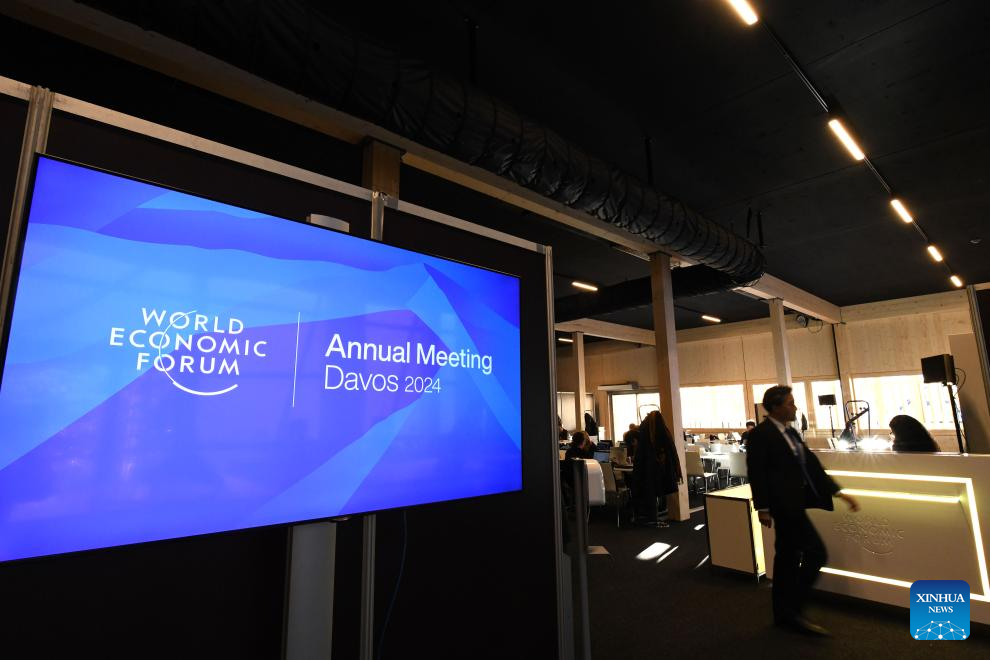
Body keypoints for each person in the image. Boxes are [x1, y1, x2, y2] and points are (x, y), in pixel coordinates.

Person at [746, 385, 860, 636]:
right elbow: (757, 472)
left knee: (786, 558)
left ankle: (785, 613)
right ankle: (792, 607)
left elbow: (812, 466)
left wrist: (839, 492)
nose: (795, 407)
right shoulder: (760, 435)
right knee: (816, 553)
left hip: (796, 503)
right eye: (790, 403)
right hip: (783, 506)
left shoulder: (791, 433)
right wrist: (762, 508)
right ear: (775, 407)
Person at [632, 411, 683, 526]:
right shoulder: (662, 432)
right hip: (658, 470)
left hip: (647, 470)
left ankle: (649, 515)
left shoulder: (644, 432)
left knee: (649, 490)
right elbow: (671, 451)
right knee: (654, 490)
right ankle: (654, 515)